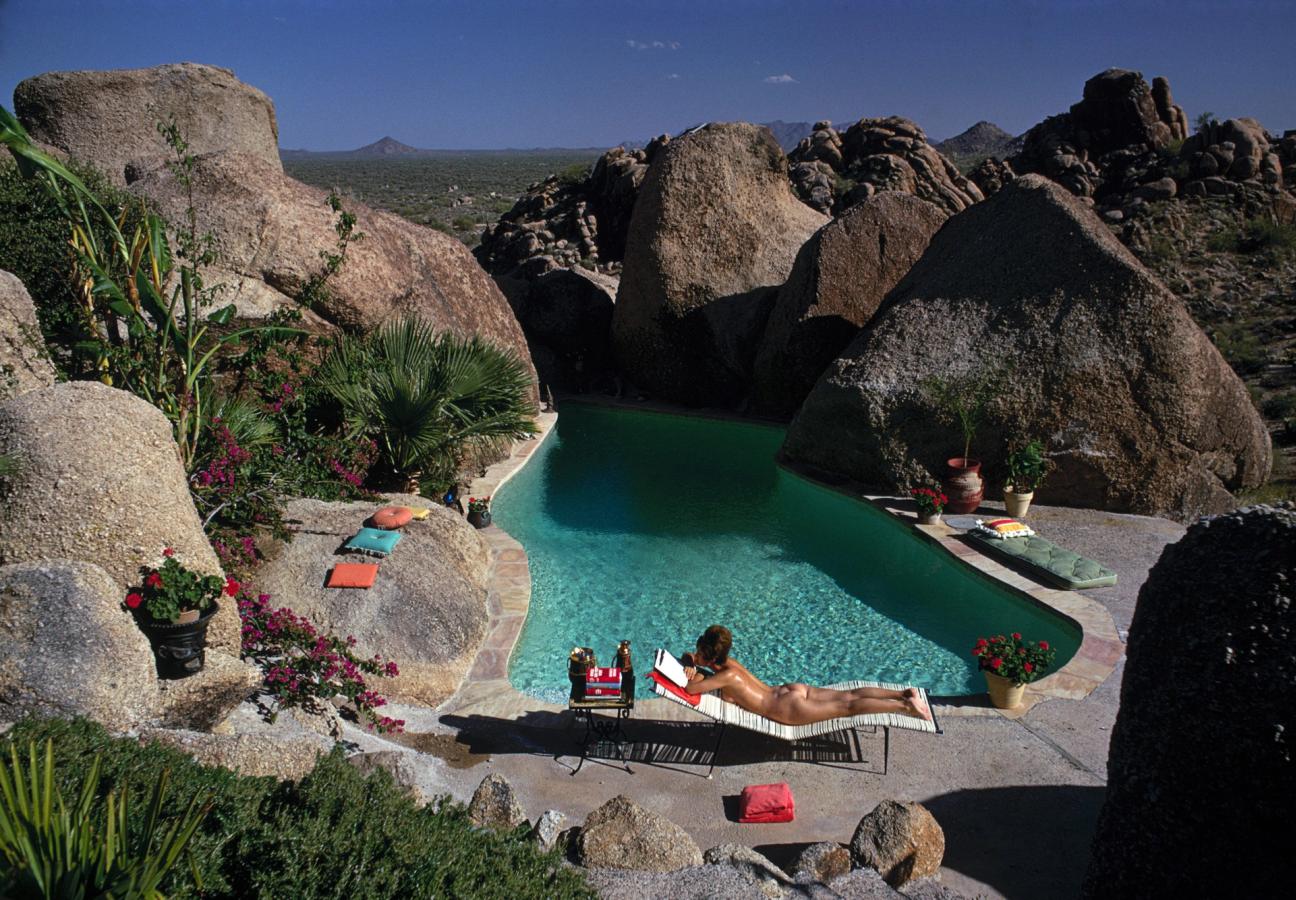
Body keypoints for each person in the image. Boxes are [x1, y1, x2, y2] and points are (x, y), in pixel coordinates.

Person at [680, 625, 932, 726]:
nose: (695, 653)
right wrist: (692, 661)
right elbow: (702, 672)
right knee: (849, 695)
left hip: (786, 708)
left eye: (700, 651)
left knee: (849, 707)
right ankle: (902, 693)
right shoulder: (730, 666)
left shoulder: (725, 678)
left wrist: (691, 667)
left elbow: (690, 689)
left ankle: (903, 706)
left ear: (710, 657)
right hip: (788, 690)